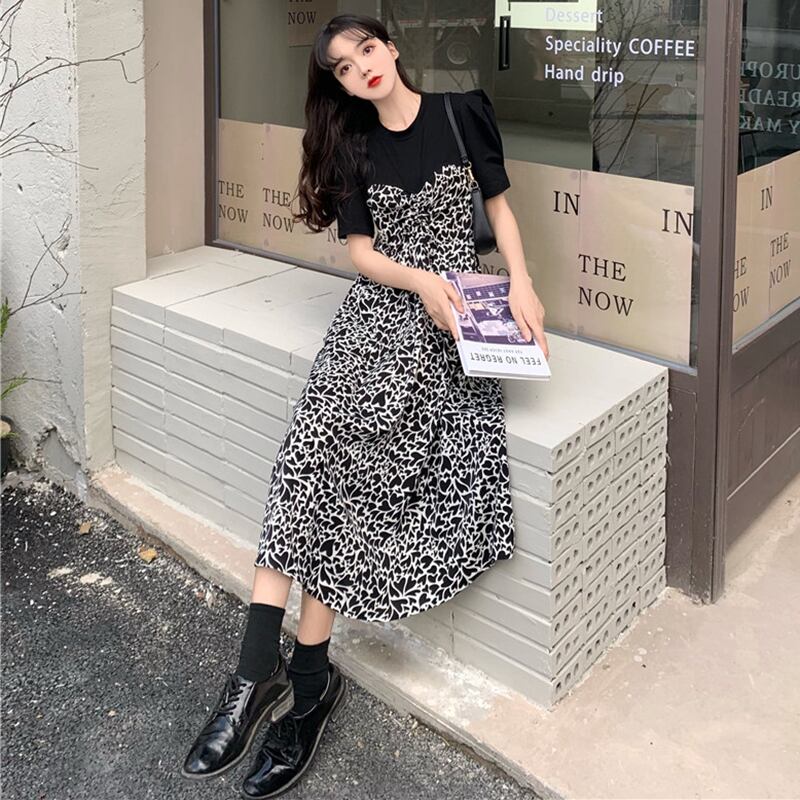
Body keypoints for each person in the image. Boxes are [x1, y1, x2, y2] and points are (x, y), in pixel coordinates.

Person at [181, 13, 548, 798]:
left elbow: (500, 207)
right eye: (344, 68)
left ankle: (303, 682)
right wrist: (419, 281)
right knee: (309, 451)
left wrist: (521, 281)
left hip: (450, 329)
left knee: (350, 471)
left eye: (367, 51)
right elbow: (362, 254)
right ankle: (260, 674)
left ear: (392, 47)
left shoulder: (462, 113)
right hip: (379, 314)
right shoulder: (352, 145)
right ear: (341, 86)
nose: (361, 70)